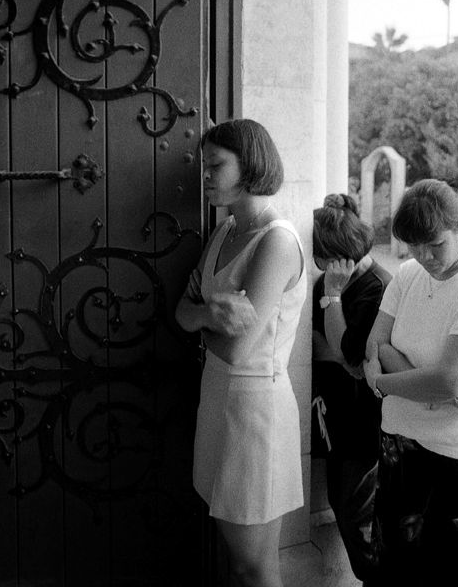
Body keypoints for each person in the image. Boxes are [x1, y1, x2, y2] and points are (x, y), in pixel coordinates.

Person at [175, 119, 306, 587]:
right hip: (217, 400)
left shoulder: (276, 240)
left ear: (250, 164)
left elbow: (238, 347)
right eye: (205, 166)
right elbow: (181, 313)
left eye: (216, 166)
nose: (205, 176)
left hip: (254, 412)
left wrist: (200, 315)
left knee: (254, 565)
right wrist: (208, 312)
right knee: (240, 562)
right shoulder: (226, 228)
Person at [363, 179, 458, 587]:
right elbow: (374, 344)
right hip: (399, 444)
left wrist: (385, 381)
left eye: (435, 244)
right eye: (414, 245)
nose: (424, 256)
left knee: (448, 575)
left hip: (454, 455)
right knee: (393, 572)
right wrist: (425, 380)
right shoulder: (408, 275)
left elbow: (448, 381)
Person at [312, 194, 391, 586]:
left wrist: (333, 298)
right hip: (335, 415)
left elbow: (350, 358)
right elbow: (315, 345)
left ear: (337, 256)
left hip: (364, 421)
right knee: (341, 504)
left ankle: (375, 579)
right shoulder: (331, 285)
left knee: (352, 511)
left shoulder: (376, 288)